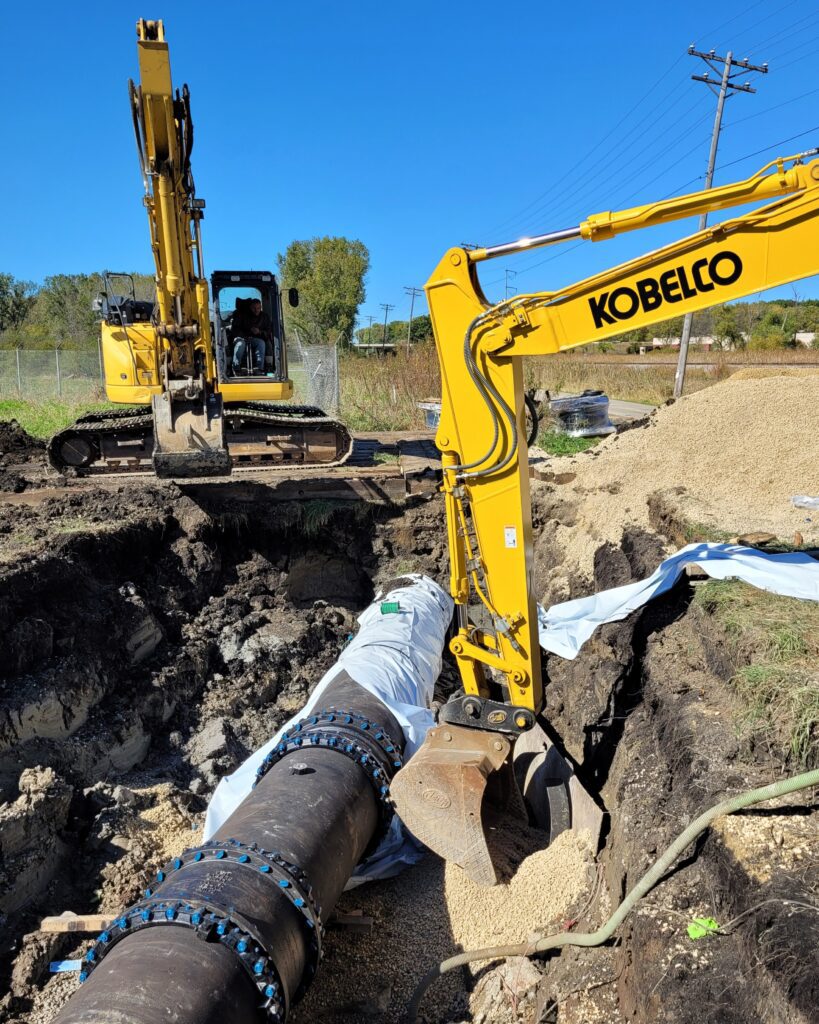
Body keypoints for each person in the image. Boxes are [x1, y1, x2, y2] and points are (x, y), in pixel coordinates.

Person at [232, 298, 271, 374]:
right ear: (250, 308)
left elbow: (268, 331)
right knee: (240, 344)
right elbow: (235, 329)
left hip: (255, 339)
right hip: (241, 338)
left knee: (261, 343)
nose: (256, 310)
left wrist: (259, 332)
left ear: (261, 308)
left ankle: (259, 369)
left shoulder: (265, 317)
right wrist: (244, 335)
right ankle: (236, 369)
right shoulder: (241, 315)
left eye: (258, 308)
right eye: (254, 308)